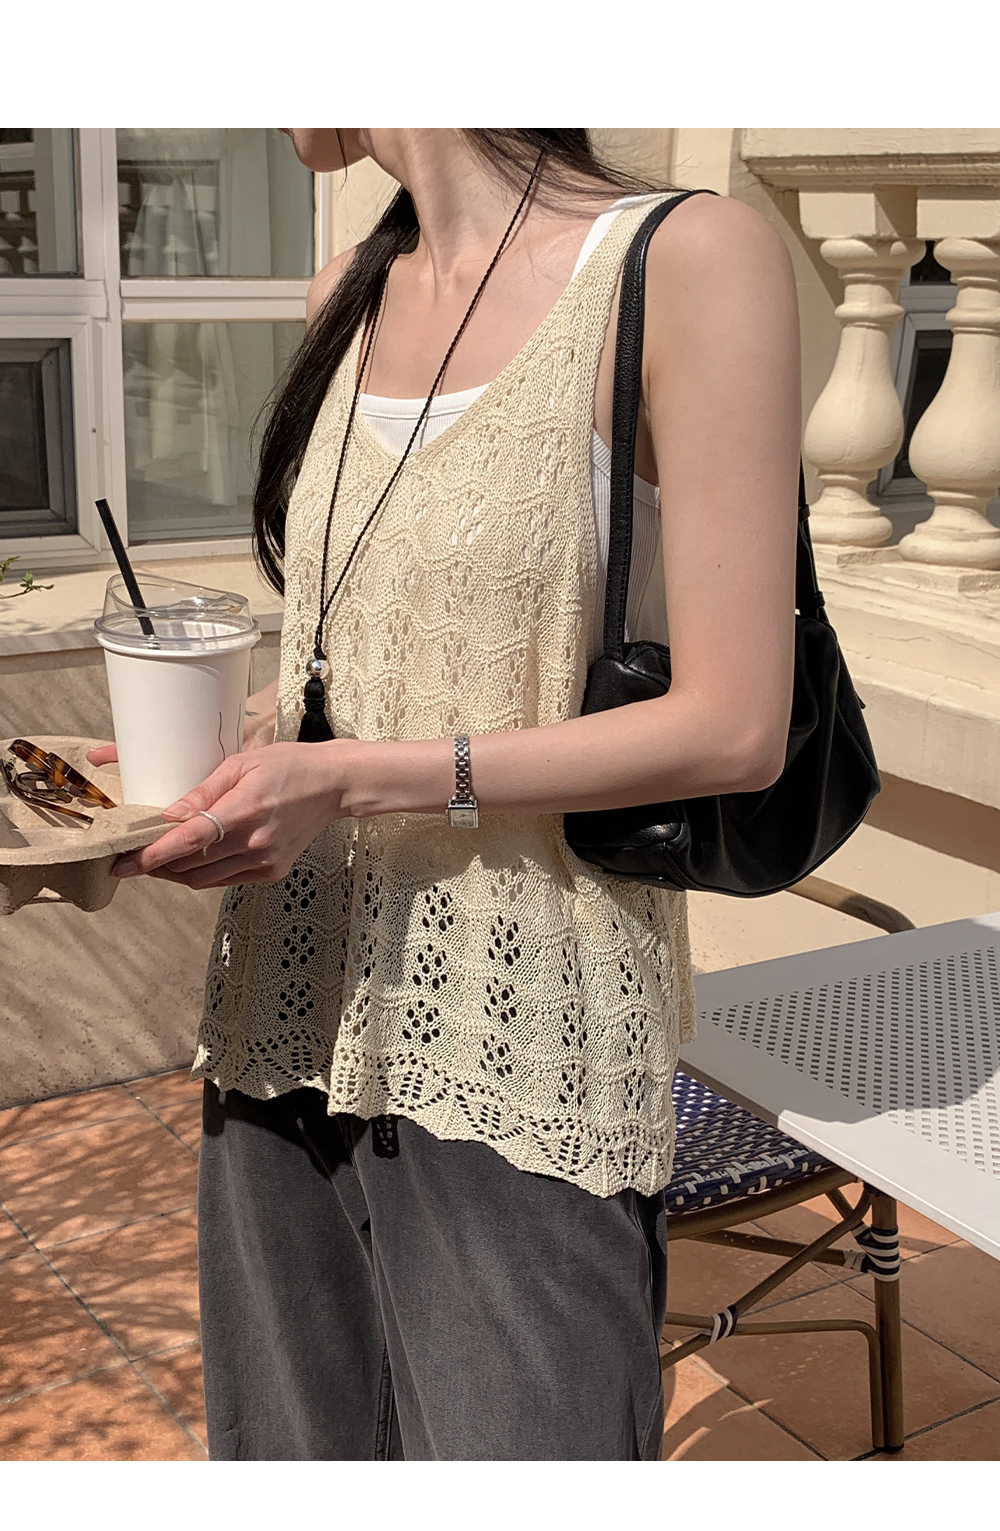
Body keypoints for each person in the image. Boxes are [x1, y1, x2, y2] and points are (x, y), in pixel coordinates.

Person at [95, 128, 800, 1460]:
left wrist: (353, 779)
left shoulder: (682, 260)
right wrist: (188, 781)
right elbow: (365, 660)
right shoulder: (347, 290)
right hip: (285, 1003)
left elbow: (735, 727)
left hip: (522, 1030)